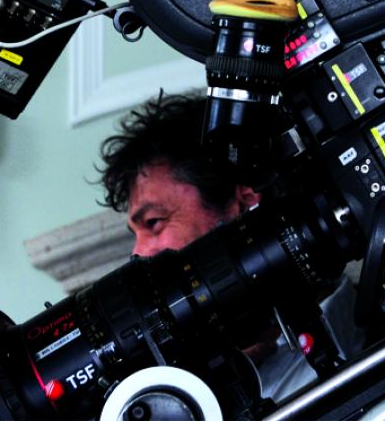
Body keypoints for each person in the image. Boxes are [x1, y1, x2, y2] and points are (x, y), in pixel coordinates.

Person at [97, 90, 360, 402]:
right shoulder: (186, 386)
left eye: (154, 221)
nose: (138, 253)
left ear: (246, 199)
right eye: (136, 234)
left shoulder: (360, 332)